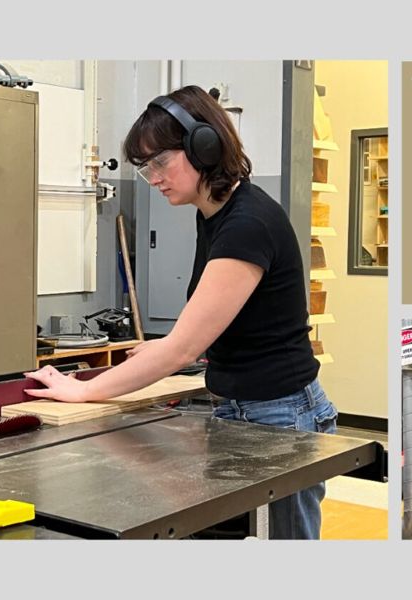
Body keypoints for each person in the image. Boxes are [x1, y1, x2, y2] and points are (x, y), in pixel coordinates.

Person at [23, 85, 337, 539]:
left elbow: (183, 347)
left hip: (281, 415)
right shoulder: (214, 213)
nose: (152, 178)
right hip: (244, 408)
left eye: (159, 162)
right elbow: (205, 329)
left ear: (203, 148)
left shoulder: (247, 223)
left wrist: (81, 389)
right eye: (144, 167)